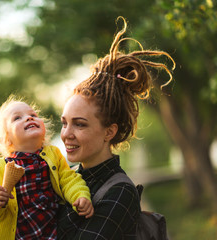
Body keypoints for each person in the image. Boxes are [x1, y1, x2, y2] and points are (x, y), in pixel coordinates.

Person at [57, 17, 175, 239]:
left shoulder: (120, 192)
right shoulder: (66, 178)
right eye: (65, 123)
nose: (66, 134)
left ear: (109, 132)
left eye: (79, 124)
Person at [0, 95, 94, 240]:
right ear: (7, 139)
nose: (29, 118)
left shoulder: (53, 155)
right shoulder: (1, 167)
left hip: (51, 234)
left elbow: (69, 179)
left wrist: (80, 196)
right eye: (17, 118)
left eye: (33, 115)